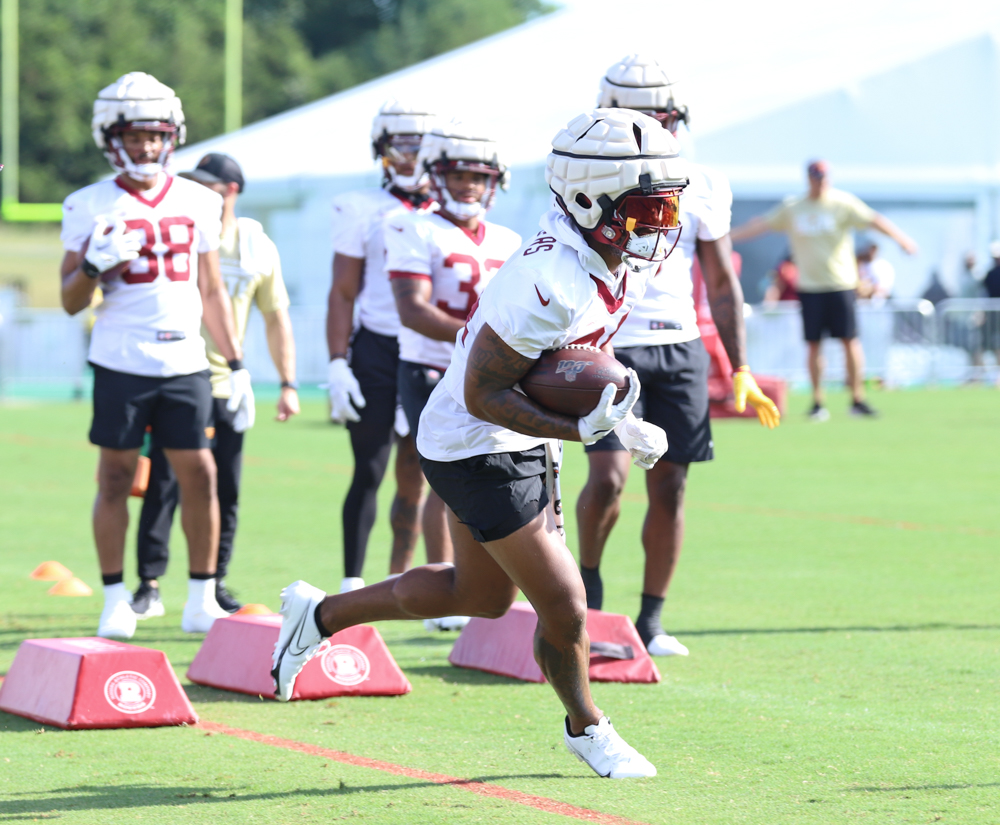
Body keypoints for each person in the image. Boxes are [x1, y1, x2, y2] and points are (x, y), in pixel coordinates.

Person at [273, 109, 688, 778]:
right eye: (647, 210)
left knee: (482, 594)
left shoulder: (614, 259)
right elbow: (482, 395)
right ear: (589, 199)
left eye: (668, 207)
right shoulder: (546, 279)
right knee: (565, 600)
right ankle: (588, 726)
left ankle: (317, 615)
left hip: (513, 431)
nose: (662, 226)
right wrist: (584, 429)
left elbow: (571, 360)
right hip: (472, 439)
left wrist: (610, 412)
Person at [575, 55, 780, 658]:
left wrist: (738, 364)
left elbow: (720, 280)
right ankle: (587, 596)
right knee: (609, 479)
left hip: (679, 343)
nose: (645, 125)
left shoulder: (703, 180)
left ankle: (652, 620)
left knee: (671, 488)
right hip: (610, 341)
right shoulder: (583, 172)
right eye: (632, 113)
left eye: (656, 114)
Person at [59, 73, 251, 639]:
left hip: (185, 360)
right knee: (116, 477)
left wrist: (236, 363)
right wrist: (93, 264)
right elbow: (71, 301)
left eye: (155, 135)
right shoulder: (87, 203)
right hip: (120, 358)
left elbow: (211, 289)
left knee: (201, 475)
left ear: (172, 136)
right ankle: (116, 597)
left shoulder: (198, 199)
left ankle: (200, 598)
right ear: (110, 137)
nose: (145, 147)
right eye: (134, 136)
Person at [131, 153, 300, 619]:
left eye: (204, 184)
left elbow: (275, 316)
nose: (192, 190)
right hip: (178, 373)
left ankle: (212, 581)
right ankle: (148, 583)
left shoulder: (255, 244)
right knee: (163, 482)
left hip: (228, 382)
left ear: (230, 190)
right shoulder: (179, 231)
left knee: (226, 486)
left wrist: (287, 381)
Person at [387, 120, 522, 630]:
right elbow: (413, 310)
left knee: (492, 479)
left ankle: (487, 585)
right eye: (457, 173)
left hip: (492, 376)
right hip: (431, 370)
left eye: (478, 175)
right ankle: (449, 586)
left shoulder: (510, 240)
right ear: (433, 174)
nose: (468, 185)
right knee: (443, 483)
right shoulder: (411, 227)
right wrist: (485, 345)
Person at [326, 101, 437, 593]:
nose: (412, 157)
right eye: (403, 145)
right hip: (377, 346)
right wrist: (336, 362)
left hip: (433, 349)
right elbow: (343, 290)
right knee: (369, 468)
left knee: (429, 470)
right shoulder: (361, 206)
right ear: (382, 149)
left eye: (422, 147)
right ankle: (353, 581)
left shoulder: (450, 210)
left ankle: (411, 576)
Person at [731, 159, 917, 420]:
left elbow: (875, 220)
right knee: (814, 345)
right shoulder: (794, 207)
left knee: (849, 341)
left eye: (824, 177)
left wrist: (902, 239)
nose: (821, 182)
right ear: (809, 179)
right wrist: (725, 237)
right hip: (810, 286)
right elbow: (760, 225)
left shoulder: (843, 202)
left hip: (841, 284)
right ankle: (818, 402)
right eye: (816, 177)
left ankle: (857, 398)